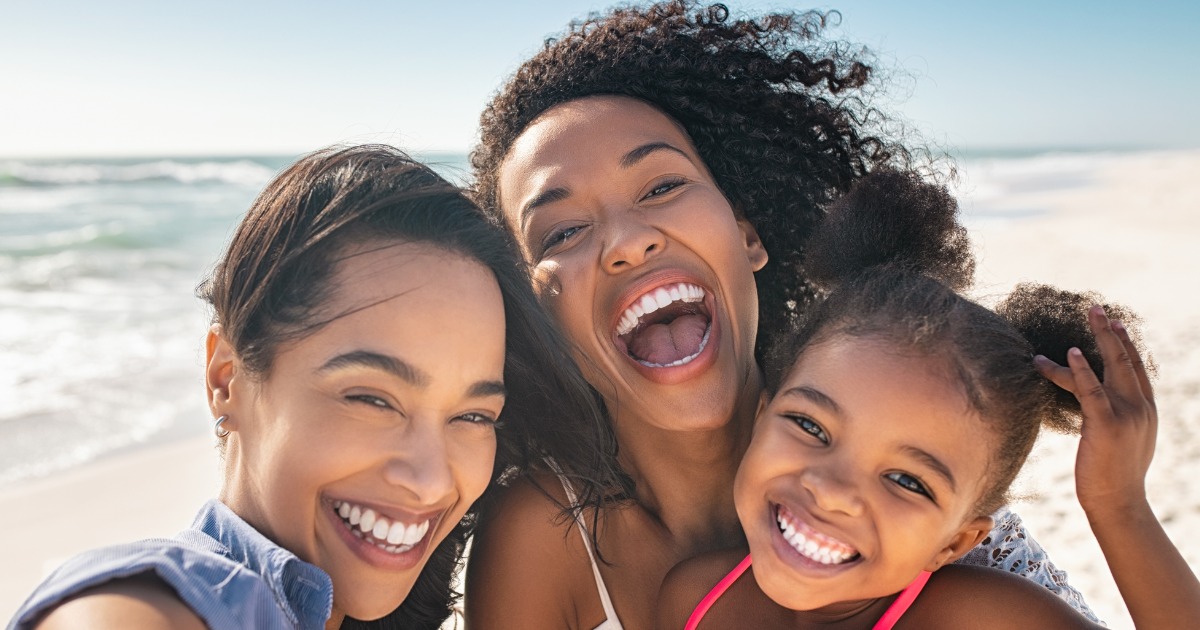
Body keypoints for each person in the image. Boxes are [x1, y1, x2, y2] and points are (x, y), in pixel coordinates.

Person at [464, 2, 1098, 628]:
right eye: (563, 231)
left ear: (747, 235)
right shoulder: (538, 537)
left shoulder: (929, 495)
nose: (628, 241)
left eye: (662, 187)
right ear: (532, 312)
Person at [8, 145, 621, 630]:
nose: (433, 480)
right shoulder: (158, 599)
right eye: (372, 399)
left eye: (473, 417)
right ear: (226, 378)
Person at [657, 170, 1200, 629]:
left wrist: (1118, 506)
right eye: (810, 426)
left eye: (907, 481)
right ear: (761, 415)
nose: (831, 490)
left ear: (955, 543)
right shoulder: (695, 600)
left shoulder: (983, 617)